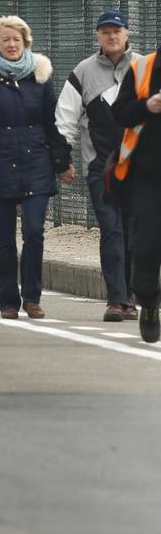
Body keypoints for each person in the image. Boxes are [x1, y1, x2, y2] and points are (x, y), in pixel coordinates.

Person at [0, 16, 70, 320]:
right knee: (5, 239)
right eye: (5, 39)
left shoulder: (41, 75)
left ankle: (32, 297)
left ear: (26, 43)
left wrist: (62, 162)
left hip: (37, 161)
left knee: (34, 232)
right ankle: (9, 301)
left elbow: (53, 122)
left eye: (16, 40)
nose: (11, 44)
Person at [55, 10, 140, 322]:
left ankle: (130, 298)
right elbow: (65, 118)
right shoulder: (83, 71)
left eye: (117, 30)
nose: (112, 36)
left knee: (133, 233)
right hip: (100, 168)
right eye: (105, 31)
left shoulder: (146, 68)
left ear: (127, 34)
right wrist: (61, 160)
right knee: (112, 230)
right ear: (98, 36)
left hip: (140, 170)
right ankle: (116, 300)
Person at [111, 43, 161, 342]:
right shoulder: (142, 68)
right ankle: (149, 301)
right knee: (146, 246)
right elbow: (120, 113)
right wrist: (147, 106)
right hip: (148, 177)